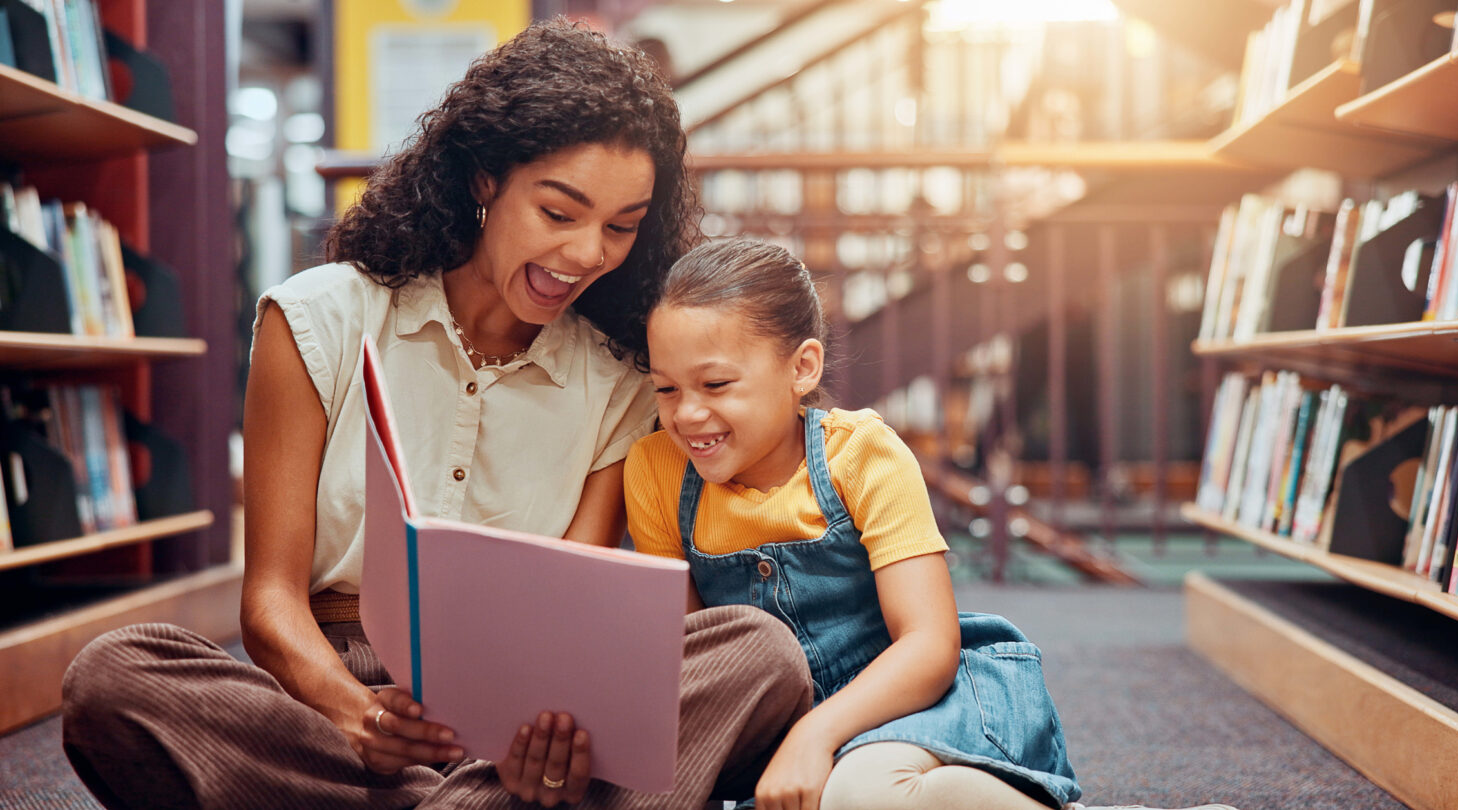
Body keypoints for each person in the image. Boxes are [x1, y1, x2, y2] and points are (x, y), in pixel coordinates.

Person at [61, 21, 812, 810]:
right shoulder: (321, 318)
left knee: (758, 653)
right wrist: (353, 716)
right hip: (331, 705)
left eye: (621, 227)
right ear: (485, 179)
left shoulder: (622, 378)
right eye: (560, 213)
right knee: (115, 676)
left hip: (516, 724)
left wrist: (536, 749)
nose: (590, 253)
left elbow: (566, 631)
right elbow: (270, 604)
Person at [623, 238, 1241, 810]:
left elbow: (929, 645)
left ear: (803, 368)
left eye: (716, 384)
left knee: (864, 792)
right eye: (667, 389)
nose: (688, 413)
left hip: (916, 703)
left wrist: (814, 733)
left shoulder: (863, 453)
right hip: (783, 736)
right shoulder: (656, 469)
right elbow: (693, 658)